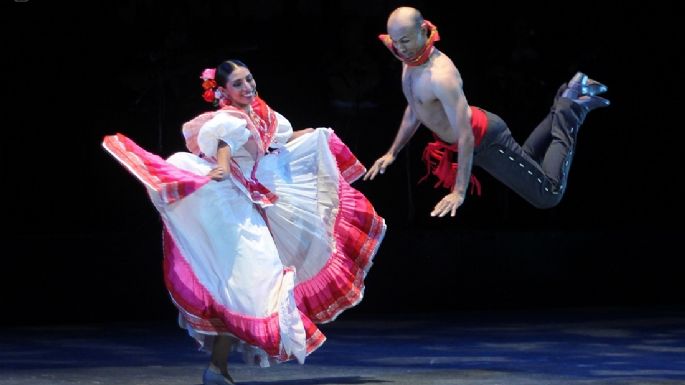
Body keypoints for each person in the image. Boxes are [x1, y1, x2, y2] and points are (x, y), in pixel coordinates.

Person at [103, 60, 386, 385]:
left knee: (246, 289)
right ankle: (221, 364)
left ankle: (217, 367)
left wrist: (303, 134)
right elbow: (226, 144)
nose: (248, 87)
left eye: (249, 79)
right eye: (238, 84)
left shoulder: (261, 113)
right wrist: (222, 166)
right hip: (231, 207)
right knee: (249, 285)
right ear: (223, 91)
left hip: (257, 201)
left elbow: (272, 138)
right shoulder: (228, 118)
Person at [363, 7, 610, 217]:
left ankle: (570, 108)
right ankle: (566, 98)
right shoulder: (409, 58)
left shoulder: (440, 76)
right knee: (528, 162)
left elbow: (466, 136)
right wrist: (392, 153)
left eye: (404, 40)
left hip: (485, 140)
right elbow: (416, 108)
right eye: (395, 41)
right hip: (480, 136)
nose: (398, 48)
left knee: (548, 195)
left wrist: (459, 192)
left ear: (423, 31)